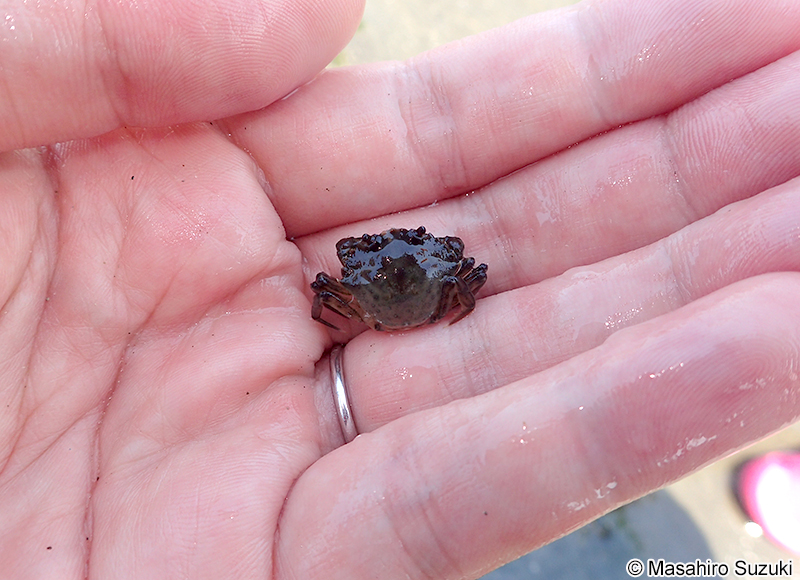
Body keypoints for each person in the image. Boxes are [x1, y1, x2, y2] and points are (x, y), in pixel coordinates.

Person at [1, 0, 799, 577]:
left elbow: (334, 277)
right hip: (424, 314)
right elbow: (464, 269)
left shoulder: (347, 284)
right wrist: (437, 285)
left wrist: (362, 293)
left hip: (372, 320)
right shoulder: (453, 275)